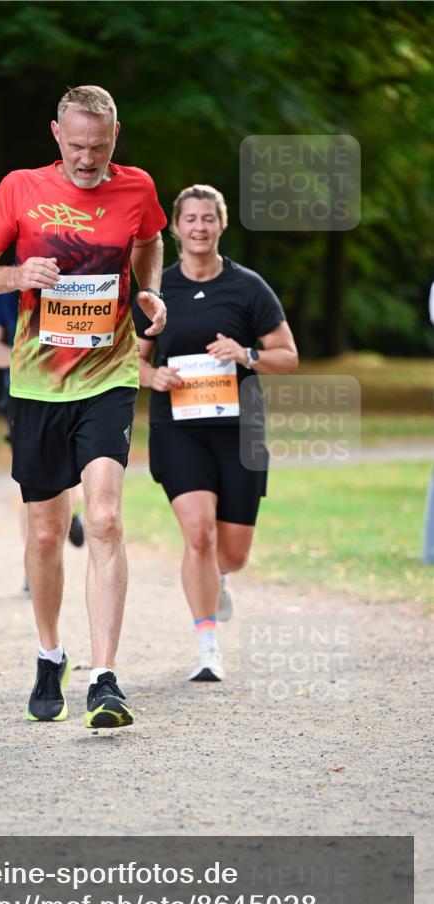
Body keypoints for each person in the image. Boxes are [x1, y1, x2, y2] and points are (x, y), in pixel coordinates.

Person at [0, 85, 167, 728]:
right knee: (48, 531)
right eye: (76, 145)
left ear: (114, 137)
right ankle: (51, 653)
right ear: (56, 133)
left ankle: (106, 678)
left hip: (108, 376)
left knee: (103, 518)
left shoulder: (137, 188)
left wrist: (150, 292)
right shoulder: (19, 188)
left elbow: (149, 241)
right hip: (36, 384)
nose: (87, 159)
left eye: (99, 147)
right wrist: (15, 277)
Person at [136, 184, 298, 682]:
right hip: (178, 429)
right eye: (190, 219)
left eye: (209, 218)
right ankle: (207, 646)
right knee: (199, 534)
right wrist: (153, 376)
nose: (199, 227)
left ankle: (221, 578)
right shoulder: (156, 291)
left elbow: (287, 357)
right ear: (176, 227)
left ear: (220, 224)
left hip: (239, 432)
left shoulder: (248, 288)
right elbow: (130, 361)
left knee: (233, 552)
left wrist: (246, 354)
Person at [0, 288, 86, 595]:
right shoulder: (3, 287)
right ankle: (35, 570)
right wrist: (31, 359)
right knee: (33, 485)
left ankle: (71, 511)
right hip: (23, 398)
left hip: (79, 392)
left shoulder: (77, 277)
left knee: (73, 477)